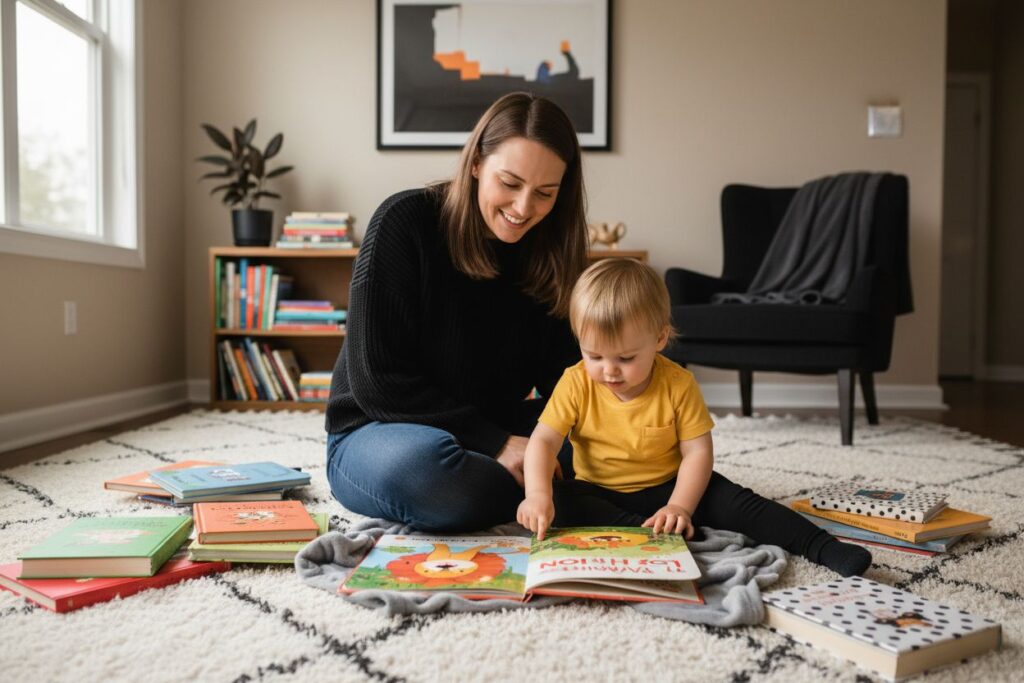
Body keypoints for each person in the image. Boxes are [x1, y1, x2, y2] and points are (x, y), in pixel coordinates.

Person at [324, 92, 589, 532]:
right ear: (476, 164)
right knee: (434, 477)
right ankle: (559, 494)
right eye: (510, 183)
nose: (523, 209)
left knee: (621, 447)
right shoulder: (404, 220)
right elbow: (378, 383)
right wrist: (500, 444)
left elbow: (567, 381)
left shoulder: (549, 254)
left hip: (492, 426)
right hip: (380, 430)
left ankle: (542, 488)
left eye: (545, 193)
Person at [516, 258, 873, 577]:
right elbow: (544, 441)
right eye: (594, 355)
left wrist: (680, 505)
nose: (609, 370)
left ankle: (822, 546)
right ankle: (647, 532)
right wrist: (537, 494)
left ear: (659, 338)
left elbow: (698, 453)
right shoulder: (576, 381)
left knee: (743, 504)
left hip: (674, 485)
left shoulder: (678, 383)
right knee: (560, 501)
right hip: (600, 490)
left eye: (625, 358)